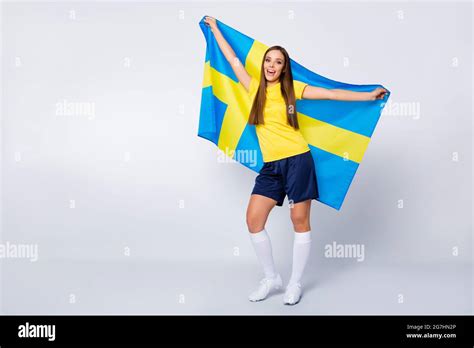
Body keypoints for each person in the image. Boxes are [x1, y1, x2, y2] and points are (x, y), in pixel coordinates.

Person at [203, 16, 387, 305]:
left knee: (298, 220)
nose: (272, 66)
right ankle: (271, 277)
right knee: (253, 220)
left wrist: (367, 95)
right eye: (268, 61)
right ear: (263, 64)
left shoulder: (292, 89)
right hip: (272, 166)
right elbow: (233, 60)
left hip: (298, 161)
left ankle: (295, 283)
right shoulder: (253, 88)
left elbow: (330, 94)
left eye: (277, 62)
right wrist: (215, 30)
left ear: (283, 67)